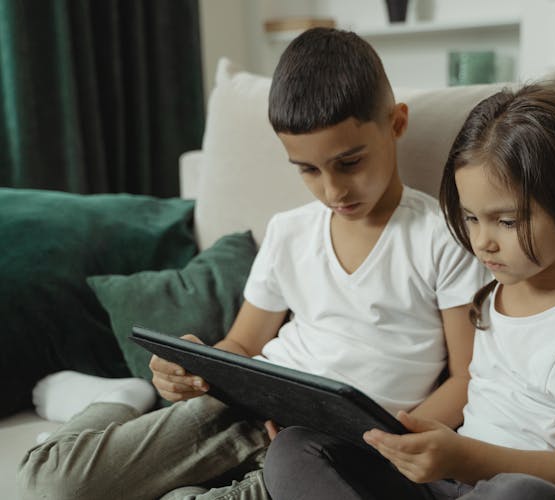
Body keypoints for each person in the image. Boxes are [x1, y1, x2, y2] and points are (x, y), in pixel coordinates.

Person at [17, 28, 486, 500]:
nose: (332, 191)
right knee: (48, 485)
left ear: (396, 123)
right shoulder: (289, 232)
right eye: (307, 169)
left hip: (335, 451)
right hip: (241, 412)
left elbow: (467, 377)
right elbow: (242, 342)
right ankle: (118, 400)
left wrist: (395, 444)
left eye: (350, 162)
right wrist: (195, 368)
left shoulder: (441, 236)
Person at [262, 85, 555, 500]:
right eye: (470, 218)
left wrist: (463, 456)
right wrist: (399, 442)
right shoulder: (495, 287)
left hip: (510, 490)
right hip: (449, 483)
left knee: (519, 493)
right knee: (297, 447)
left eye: (506, 221)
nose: (483, 242)